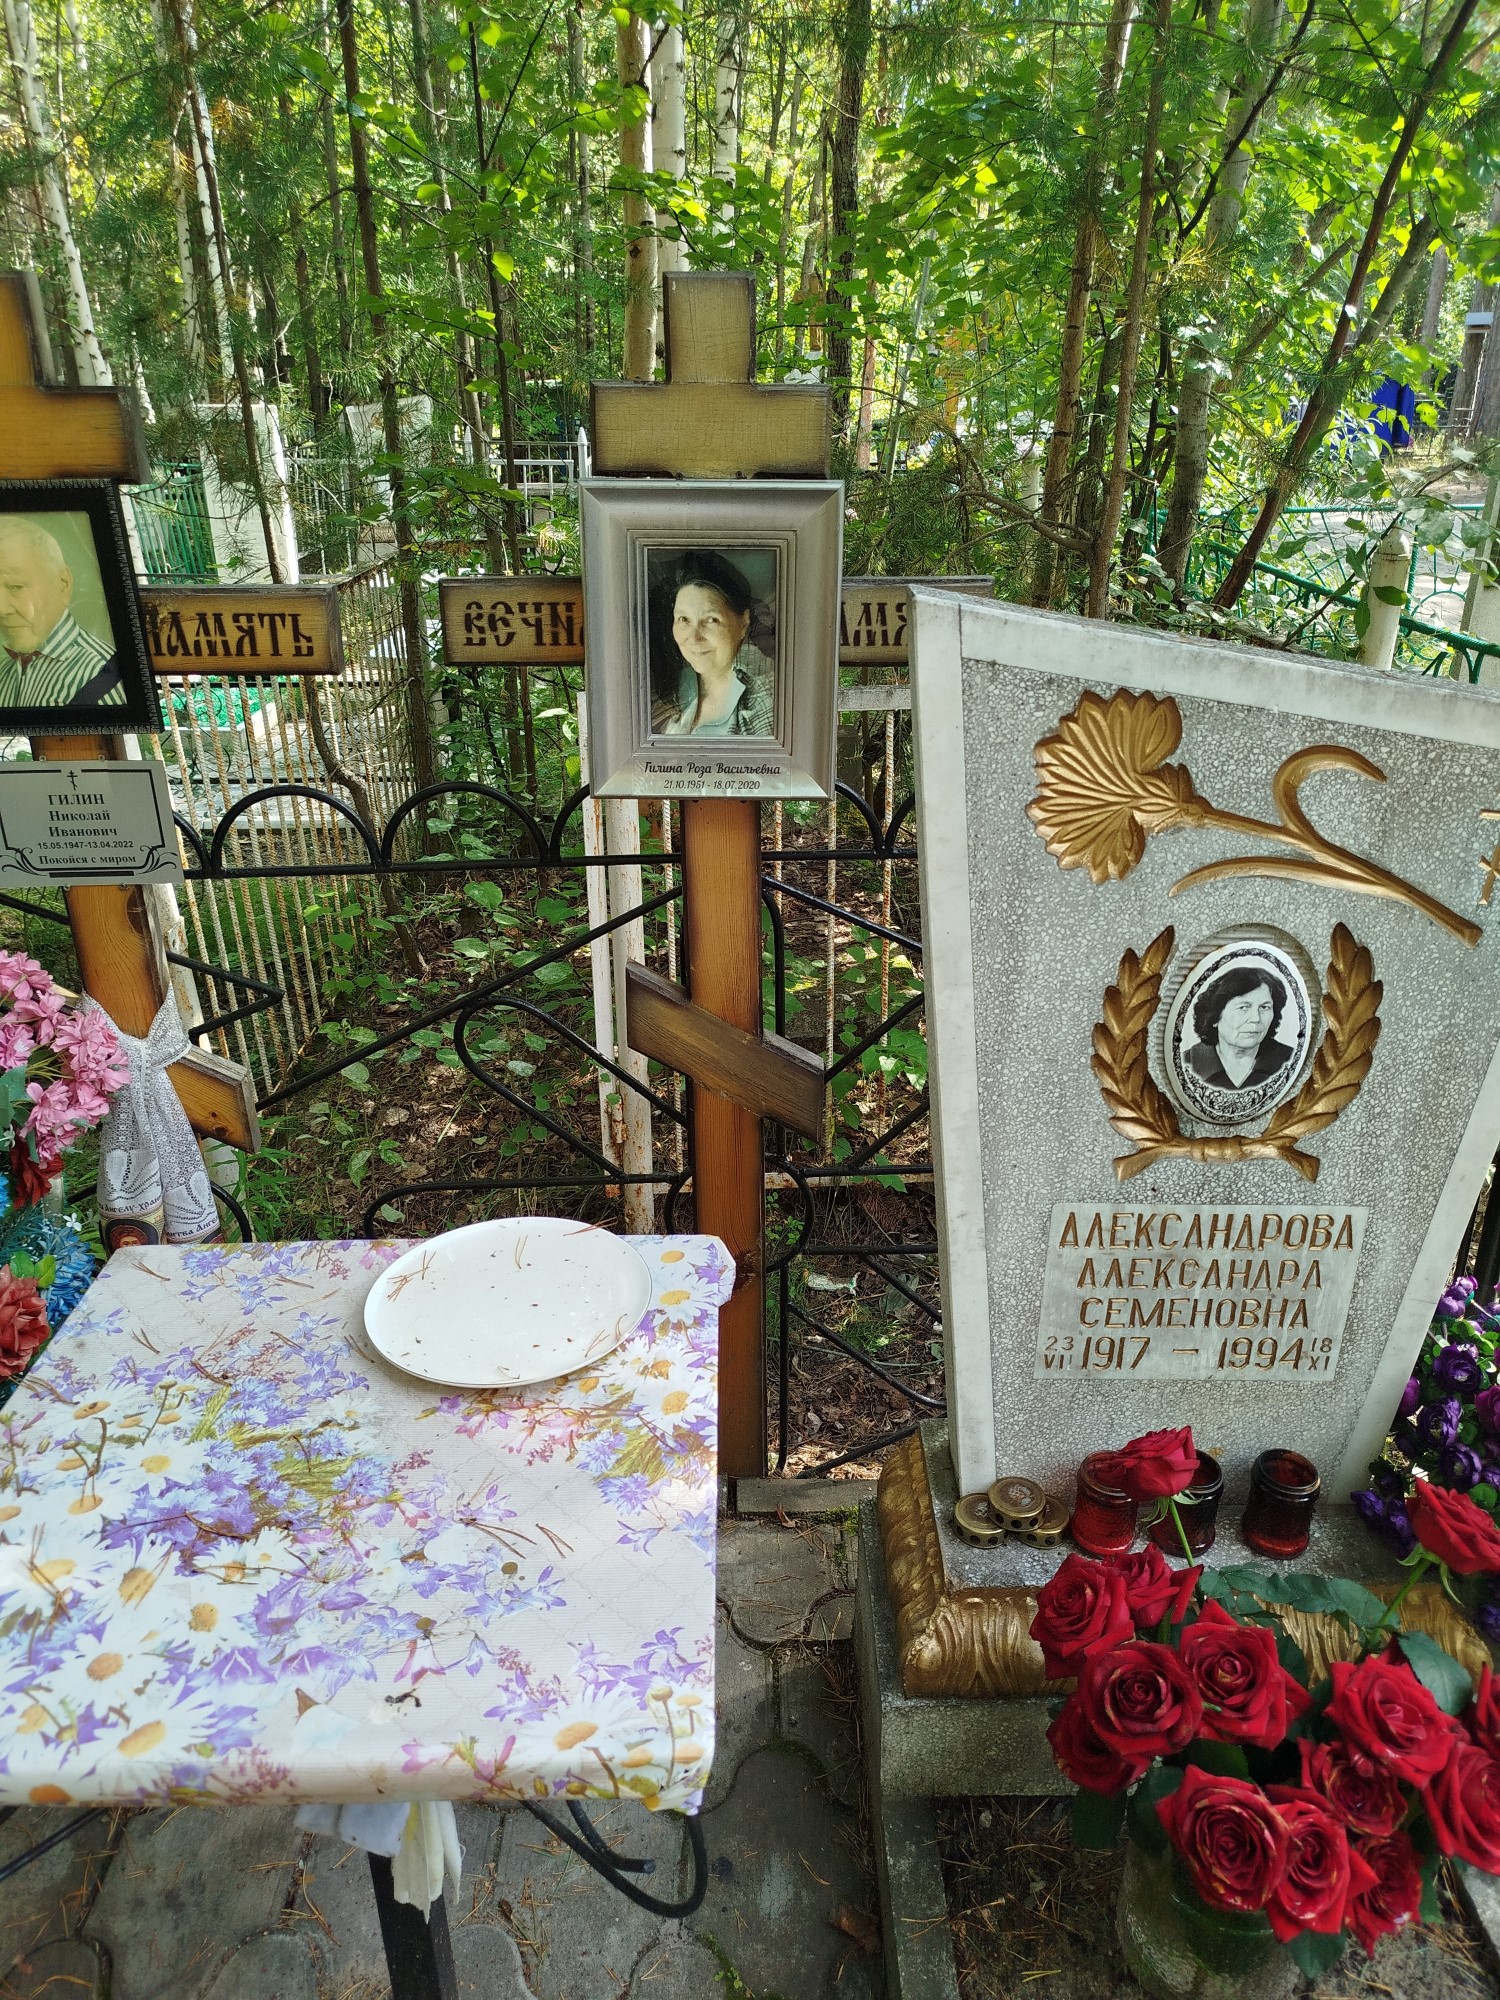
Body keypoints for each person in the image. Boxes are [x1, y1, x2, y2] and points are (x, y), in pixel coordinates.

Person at [0, 517, 122, 710]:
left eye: (16, 586)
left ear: (63, 583)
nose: (2, 609)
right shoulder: (6, 671)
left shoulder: (97, 673)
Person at [655, 550, 774, 737]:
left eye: (711, 620)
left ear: (743, 623)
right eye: (683, 619)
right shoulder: (678, 683)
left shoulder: (764, 698)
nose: (694, 638)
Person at [1185, 965, 1293, 1091]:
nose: (1256, 1018)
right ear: (1214, 1017)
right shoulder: (1186, 1063)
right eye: (1243, 1007)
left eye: (1264, 1007)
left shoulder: (1290, 1060)